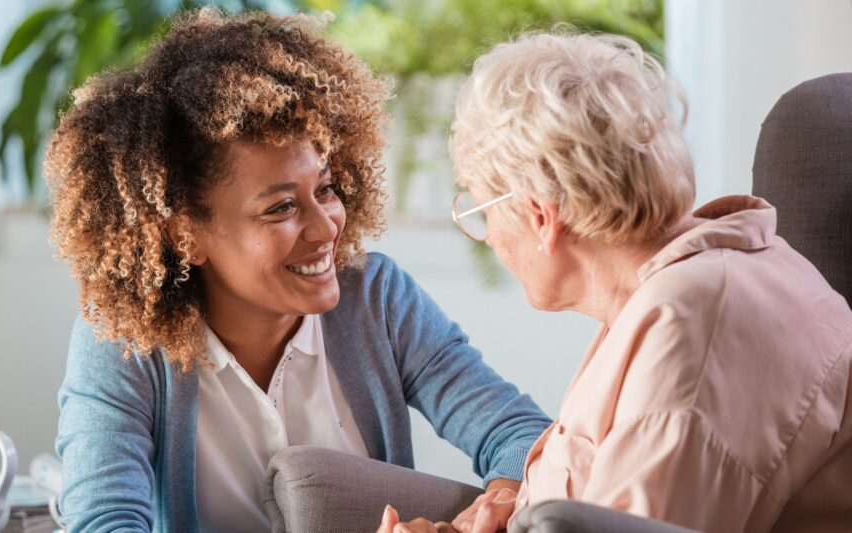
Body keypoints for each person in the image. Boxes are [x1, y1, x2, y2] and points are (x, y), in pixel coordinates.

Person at [47, 9, 551, 532]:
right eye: (280, 208)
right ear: (185, 235)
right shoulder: (124, 341)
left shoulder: (378, 300)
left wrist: (492, 509)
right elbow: (102, 522)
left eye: (326, 189)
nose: (326, 226)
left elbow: (522, 437)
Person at [380, 31, 852, 533]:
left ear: (542, 217)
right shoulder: (673, 294)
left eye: (482, 211)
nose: (488, 238)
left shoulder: (692, 325)